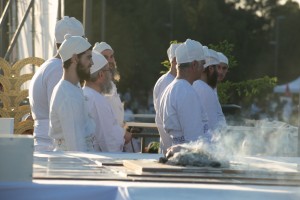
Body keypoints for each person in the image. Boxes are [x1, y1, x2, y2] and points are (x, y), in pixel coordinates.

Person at [29, 16, 85, 151]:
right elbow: (64, 115)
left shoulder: (50, 66)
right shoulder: (58, 70)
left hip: (47, 143)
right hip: (51, 146)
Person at [158, 39, 209, 152]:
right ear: (194, 64)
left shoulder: (172, 88)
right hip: (190, 163)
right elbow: (194, 142)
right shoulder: (185, 91)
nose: (204, 68)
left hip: (182, 157)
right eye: (203, 64)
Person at [49, 35, 95, 151]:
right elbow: (76, 145)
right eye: (88, 58)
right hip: (71, 164)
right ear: (75, 59)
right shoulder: (67, 94)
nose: (92, 63)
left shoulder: (73, 87)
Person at [83, 50, 132, 152]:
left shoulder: (83, 93)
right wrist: (123, 136)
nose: (110, 74)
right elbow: (110, 142)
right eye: (108, 71)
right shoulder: (97, 100)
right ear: (101, 74)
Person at [153, 43, 180, 154]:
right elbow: (161, 119)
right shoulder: (166, 82)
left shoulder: (173, 81)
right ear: (174, 61)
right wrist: (171, 145)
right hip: (170, 147)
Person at [193, 48, 226, 131]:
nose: (219, 72)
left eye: (224, 68)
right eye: (217, 68)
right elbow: (212, 126)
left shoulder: (197, 85)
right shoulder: (205, 90)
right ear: (211, 68)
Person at [93, 42, 124, 127]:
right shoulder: (96, 85)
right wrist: (123, 133)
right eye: (105, 57)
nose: (110, 60)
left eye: (111, 57)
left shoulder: (110, 84)